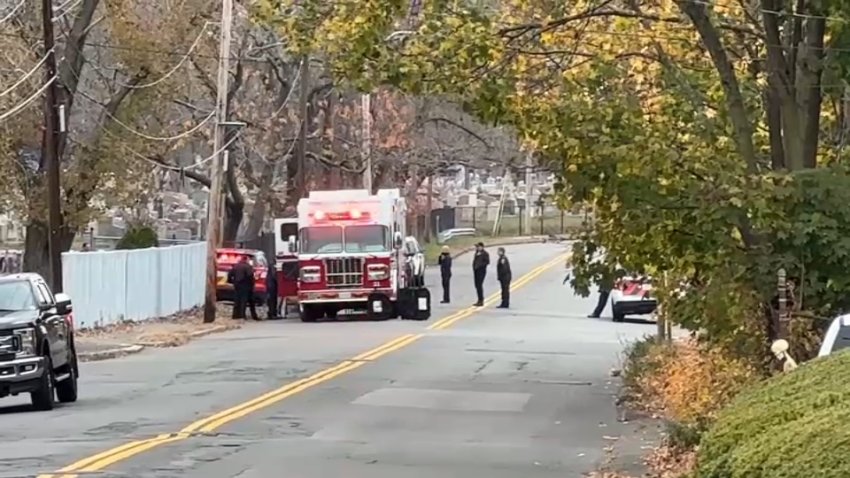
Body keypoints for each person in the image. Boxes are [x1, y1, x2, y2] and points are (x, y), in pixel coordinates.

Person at [228, 255, 259, 320]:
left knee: (237, 300)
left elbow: (229, 274)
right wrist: (252, 285)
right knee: (244, 300)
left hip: (237, 285)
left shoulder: (236, 266)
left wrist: (232, 281)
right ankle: (243, 315)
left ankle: (235, 315)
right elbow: (250, 276)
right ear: (246, 260)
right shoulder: (248, 267)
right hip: (246, 286)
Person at [472, 242, 490, 306]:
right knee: (477, 286)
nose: (477, 248)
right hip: (476, 271)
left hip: (481, 272)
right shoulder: (476, 253)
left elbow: (487, 262)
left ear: (482, 247)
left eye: (478, 246)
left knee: (479, 285)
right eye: (476, 247)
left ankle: (481, 300)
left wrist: (480, 266)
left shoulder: (485, 254)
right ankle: (479, 299)